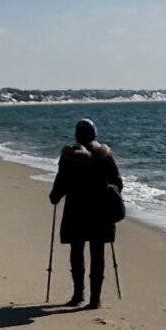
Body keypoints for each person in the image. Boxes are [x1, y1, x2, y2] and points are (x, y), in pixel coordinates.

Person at [49, 117, 124, 309]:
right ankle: (95, 299)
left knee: (77, 251)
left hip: (76, 209)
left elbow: (61, 182)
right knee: (97, 253)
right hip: (101, 211)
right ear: (94, 134)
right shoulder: (104, 154)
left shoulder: (69, 155)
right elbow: (118, 183)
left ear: (77, 135)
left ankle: (77, 294)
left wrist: (55, 196)